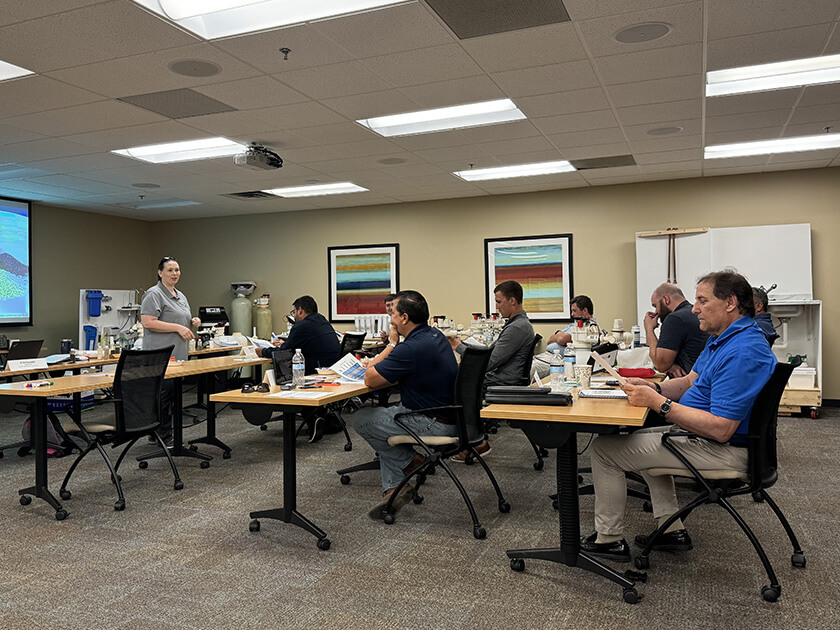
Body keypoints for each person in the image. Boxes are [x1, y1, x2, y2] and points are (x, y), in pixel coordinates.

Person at [579, 271, 777, 563]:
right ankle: (671, 529)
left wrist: (659, 404)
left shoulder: (742, 351)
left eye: (702, 300)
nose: (694, 308)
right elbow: (688, 383)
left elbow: (722, 429)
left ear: (731, 303)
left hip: (726, 450)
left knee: (604, 450)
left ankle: (609, 540)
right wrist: (654, 387)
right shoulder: (724, 338)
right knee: (636, 442)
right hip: (710, 440)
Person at [353, 290, 459, 519]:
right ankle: (394, 490)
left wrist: (391, 344)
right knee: (383, 424)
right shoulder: (434, 335)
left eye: (394, 314)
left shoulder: (410, 348)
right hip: (448, 415)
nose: (390, 319)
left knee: (363, 419)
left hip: (430, 421)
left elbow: (370, 379)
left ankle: (412, 461)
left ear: (404, 318)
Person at [447, 280, 534, 461]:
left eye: (499, 301)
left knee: (457, 386)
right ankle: (459, 437)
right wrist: (463, 346)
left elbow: (489, 362)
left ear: (512, 301)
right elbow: (491, 353)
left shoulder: (517, 327)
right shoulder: (516, 324)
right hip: (502, 378)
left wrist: (457, 347)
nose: (497, 306)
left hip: (502, 382)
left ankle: (475, 442)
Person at [140, 256, 201, 442]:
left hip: (178, 354)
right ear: (160, 273)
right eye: (170, 270)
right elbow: (148, 322)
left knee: (173, 397)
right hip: (160, 355)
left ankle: (166, 433)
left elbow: (179, 319)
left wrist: (192, 322)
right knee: (162, 397)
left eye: (177, 270)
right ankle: (160, 435)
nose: (175, 274)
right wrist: (178, 327)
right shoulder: (154, 294)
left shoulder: (180, 295)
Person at [256, 295, 340, 374]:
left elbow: (283, 353)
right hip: (332, 369)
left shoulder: (302, 325)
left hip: (314, 371)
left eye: (294, 312)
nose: (294, 315)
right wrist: (285, 343)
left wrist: (263, 351)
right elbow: (307, 342)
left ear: (300, 311)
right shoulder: (322, 321)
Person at [644, 283, 709, 378]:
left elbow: (660, 365)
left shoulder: (675, 319)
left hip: (688, 387)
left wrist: (649, 329)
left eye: (655, 306)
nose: (656, 313)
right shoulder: (692, 315)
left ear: (666, 299)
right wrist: (670, 365)